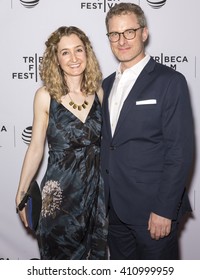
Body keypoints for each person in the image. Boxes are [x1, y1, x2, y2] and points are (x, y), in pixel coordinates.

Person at [100, 2, 194, 260]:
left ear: (144, 33)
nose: (122, 40)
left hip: (153, 212)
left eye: (129, 32)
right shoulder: (104, 85)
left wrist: (164, 209)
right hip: (113, 211)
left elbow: (179, 151)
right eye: (114, 34)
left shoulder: (169, 81)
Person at [16, 26, 108, 260]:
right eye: (65, 52)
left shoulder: (99, 92)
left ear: (87, 52)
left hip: (95, 198)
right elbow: (36, 147)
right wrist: (21, 190)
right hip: (59, 200)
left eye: (78, 50)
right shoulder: (45, 95)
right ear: (56, 58)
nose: (74, 58)